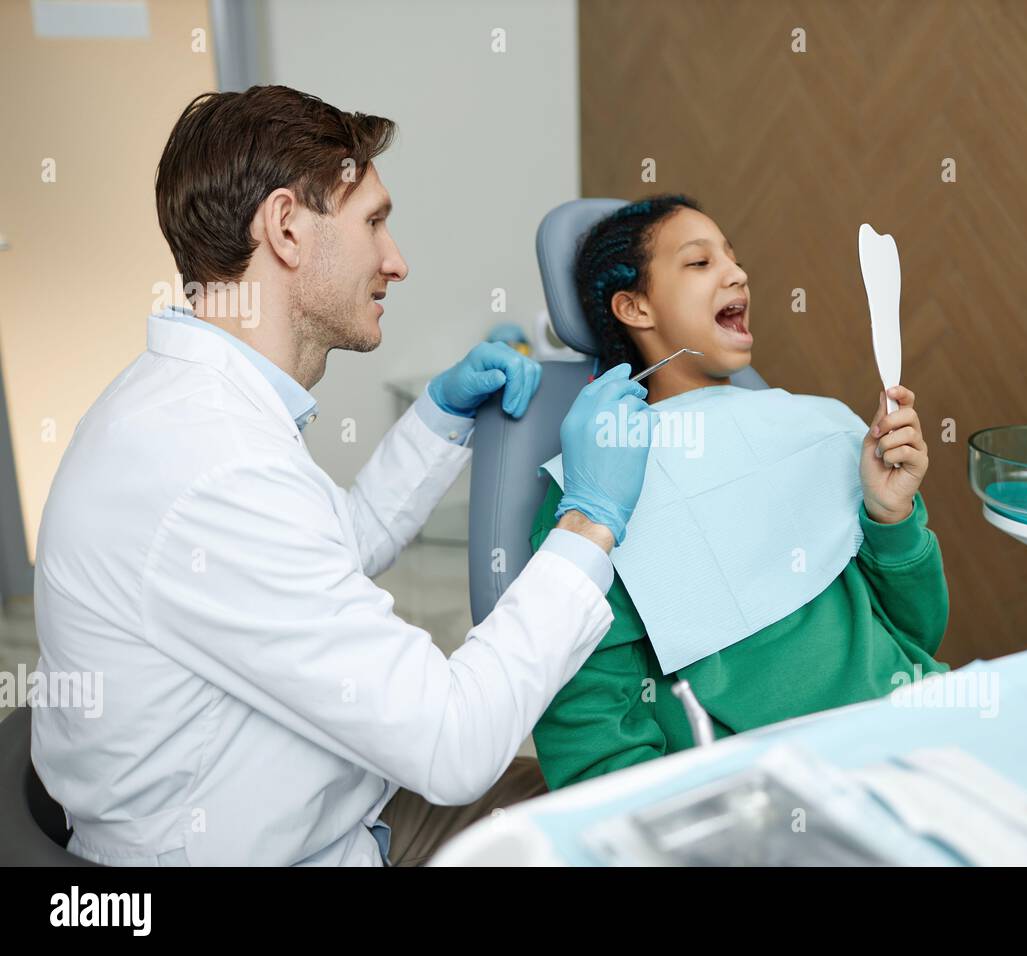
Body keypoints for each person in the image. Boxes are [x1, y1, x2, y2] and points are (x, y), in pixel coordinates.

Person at [31, 85, 653, 866]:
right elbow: (453, 743)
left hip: (330, 816)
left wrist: (438, 417)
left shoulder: (185, 407)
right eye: (374, 223)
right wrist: (588, 521)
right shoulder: (213, 464)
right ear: (286, 228)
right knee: (624, 835)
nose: (396, 262)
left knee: (608, 805)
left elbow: (331, 549)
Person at [529, 196, 949, 788]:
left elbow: (917, 636)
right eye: (699, 263)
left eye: (734, 259)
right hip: (777, 798)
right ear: (634, 306)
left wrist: (892, 515)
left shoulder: (821, 429)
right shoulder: (600, 484)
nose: (737, 273)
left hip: (922, 737)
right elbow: (589, 715)